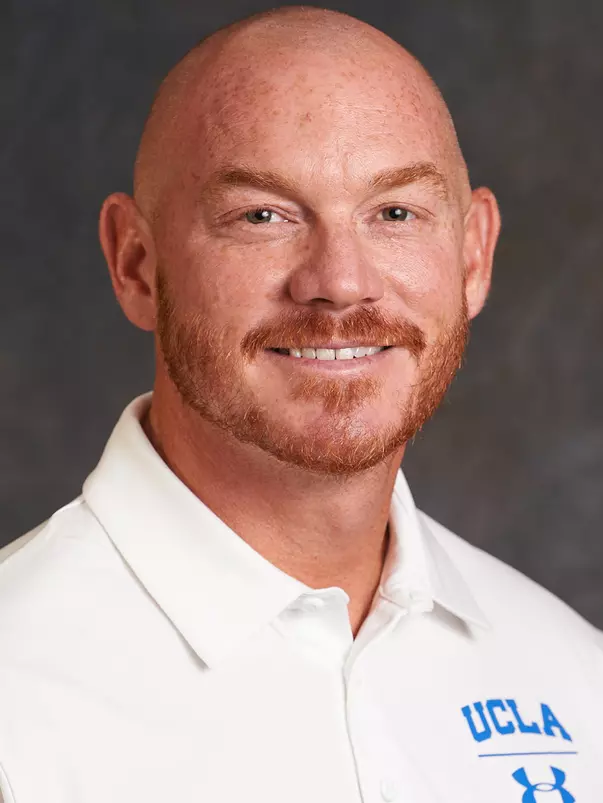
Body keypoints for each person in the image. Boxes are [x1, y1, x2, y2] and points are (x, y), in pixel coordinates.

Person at [0, 6, 601, 802]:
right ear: (136, 264)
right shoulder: (19, 685)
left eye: (394, 213)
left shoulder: (573, 677)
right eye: (262, 216)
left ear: (472, 255)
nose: (339, 281)